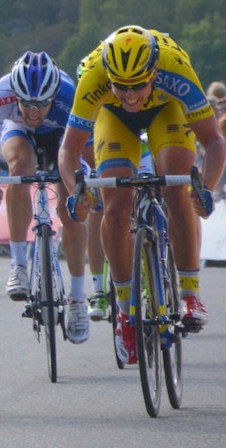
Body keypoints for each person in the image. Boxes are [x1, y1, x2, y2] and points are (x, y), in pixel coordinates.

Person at [59, 26, 224, 364]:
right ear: (108, 77)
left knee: (176, 189)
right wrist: (76, 190)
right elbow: (69, 149)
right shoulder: (93, 76)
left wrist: (205, 188)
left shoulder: (175, 68)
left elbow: (215, 141)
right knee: (115, 208)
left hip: (168, 111)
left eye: (138, 86)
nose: (130, 95)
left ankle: (190, 294)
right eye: (120, 86)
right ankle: (124, 313)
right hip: (113, 120)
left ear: (154, 72)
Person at [0, 52, 89, 344]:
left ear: (54, 95)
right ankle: (19, 266)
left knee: (71, 208)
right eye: (26, 104)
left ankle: (77, 300)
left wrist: (82, 187)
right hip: (18, 134)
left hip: (62, 136)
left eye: (41, 105)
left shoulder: (68, 96)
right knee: (18, 169)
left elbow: (84, 157)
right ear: (15, 96)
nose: (34, 113)